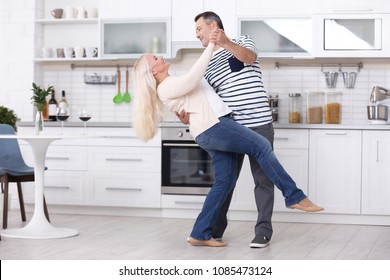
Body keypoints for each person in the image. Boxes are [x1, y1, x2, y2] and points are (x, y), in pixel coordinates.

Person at [132, 32, 324, 247]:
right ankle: (294, 196)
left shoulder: (173, 83)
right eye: (155, 59)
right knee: (261, 146)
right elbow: (193, 78)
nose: (159, 57)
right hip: (215, 128)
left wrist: (183, 112)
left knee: (224, 182)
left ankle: (200, 234)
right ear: (153, 71)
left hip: (212, 129)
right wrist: (210, 46)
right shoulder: (166, 86)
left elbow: (196, 92)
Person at [176, 11, 277, 249]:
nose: (197, 34)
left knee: (263, 180)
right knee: (226, 180)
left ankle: (263, 231)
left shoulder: (243, 40)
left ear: (213, 26)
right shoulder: (206, 62)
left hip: (259, 122)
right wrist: (186, 115)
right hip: (230, 128)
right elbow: (203, 100)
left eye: (199, 29)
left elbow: (249, 58)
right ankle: (213, 231)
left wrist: (225, 42)